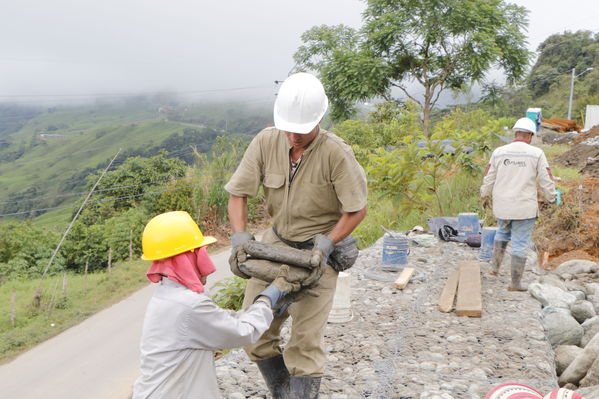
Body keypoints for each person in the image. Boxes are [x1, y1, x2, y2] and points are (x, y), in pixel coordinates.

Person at [224, 72, 368, 398]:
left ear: (319, 119)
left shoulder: (335, 153)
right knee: (255, 332)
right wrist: (239, 238)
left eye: (302, 130)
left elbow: (357, 209)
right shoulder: (265, 141)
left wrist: (329, 242)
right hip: (275, 247)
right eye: (288, 128)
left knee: (304, 344)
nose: (294, 136)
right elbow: (238, 193)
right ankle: (282, 391)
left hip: (318, 254)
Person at [131, 211, 300, 399]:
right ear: (188, 258)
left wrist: (260, 307)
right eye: (201, 252)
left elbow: (220, 318)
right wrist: (270, 295)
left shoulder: (168, 295)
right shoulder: (188, 304)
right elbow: (243, 331)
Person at [480, 117, 556, 291]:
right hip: (523, 207)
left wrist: (483, 193)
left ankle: (494, 268)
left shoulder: (499, 152)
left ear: (516, 134)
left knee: (502, 231)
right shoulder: (536, 154)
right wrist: (551, 197)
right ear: (530, 136)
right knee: (520, 243)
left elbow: (489, 175)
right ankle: (515, 284)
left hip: (502, 206)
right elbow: (546, 178)